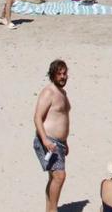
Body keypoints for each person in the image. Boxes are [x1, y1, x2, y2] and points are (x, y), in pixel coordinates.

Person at [34, 59, 71, 212]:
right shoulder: (48, 92)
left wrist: (65, 142)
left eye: (64, 73)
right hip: (48, 142)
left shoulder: (62, 92)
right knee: (59, 177)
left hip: (59, 143)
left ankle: (49, 209)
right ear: (52, 75)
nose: (63, 76)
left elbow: (62, 118)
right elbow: (37, 117)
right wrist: (45, 140)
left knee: (53, 178)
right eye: (59, 74)